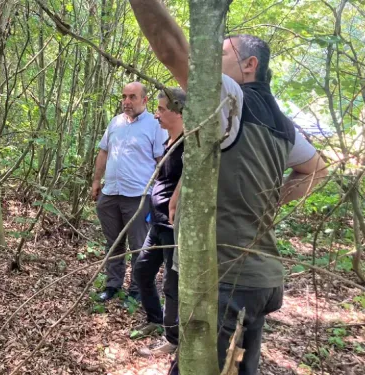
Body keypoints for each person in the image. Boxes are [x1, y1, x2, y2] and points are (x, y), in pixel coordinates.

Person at [128, 1, 328, 374]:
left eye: (221, 53)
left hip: (229, 279)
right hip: (259, 277)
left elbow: (171, 48)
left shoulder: (232, 98)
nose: (212, 61)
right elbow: (316, 170)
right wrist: (269, 200)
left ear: (249, 66)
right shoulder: (282, 123)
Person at [92, 82, 167, 302]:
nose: (126, 102)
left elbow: (161, 161)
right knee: (113, 243)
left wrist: (162, 194)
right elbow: (104, 151)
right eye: (124, 96)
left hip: (139, 196)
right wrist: (97, 180)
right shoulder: (115, 122)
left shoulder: (155, 126)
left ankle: (137, 290)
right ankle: (112, 285)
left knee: (138, 246)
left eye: (132, 97)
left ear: (144, 100)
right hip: (111, 192)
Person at [131, 88, 185, 359]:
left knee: (172, 286)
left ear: (179, 111)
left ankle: (173, 339)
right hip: (157, 223)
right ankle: (155, 317)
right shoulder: (168, 141)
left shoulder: (191, 144)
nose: (157, 113)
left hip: (176, 228)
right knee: (141, 271)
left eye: (162, 109)